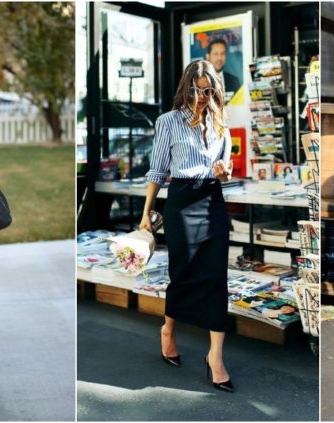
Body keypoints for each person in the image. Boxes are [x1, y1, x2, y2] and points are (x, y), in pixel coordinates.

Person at [140, 59, 235, 393]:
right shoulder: (168, 122)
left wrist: (224, 170)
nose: (202, 97)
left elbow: (227, 165)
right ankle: (168, 331)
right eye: (196, 90)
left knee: (215, 277)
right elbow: (156, 172)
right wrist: (145, 215)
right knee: (183, 274)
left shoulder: (221, 122)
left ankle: (216, 358)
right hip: (181, 201)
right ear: (186, 88)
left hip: (212, 199)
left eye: (208, 91)